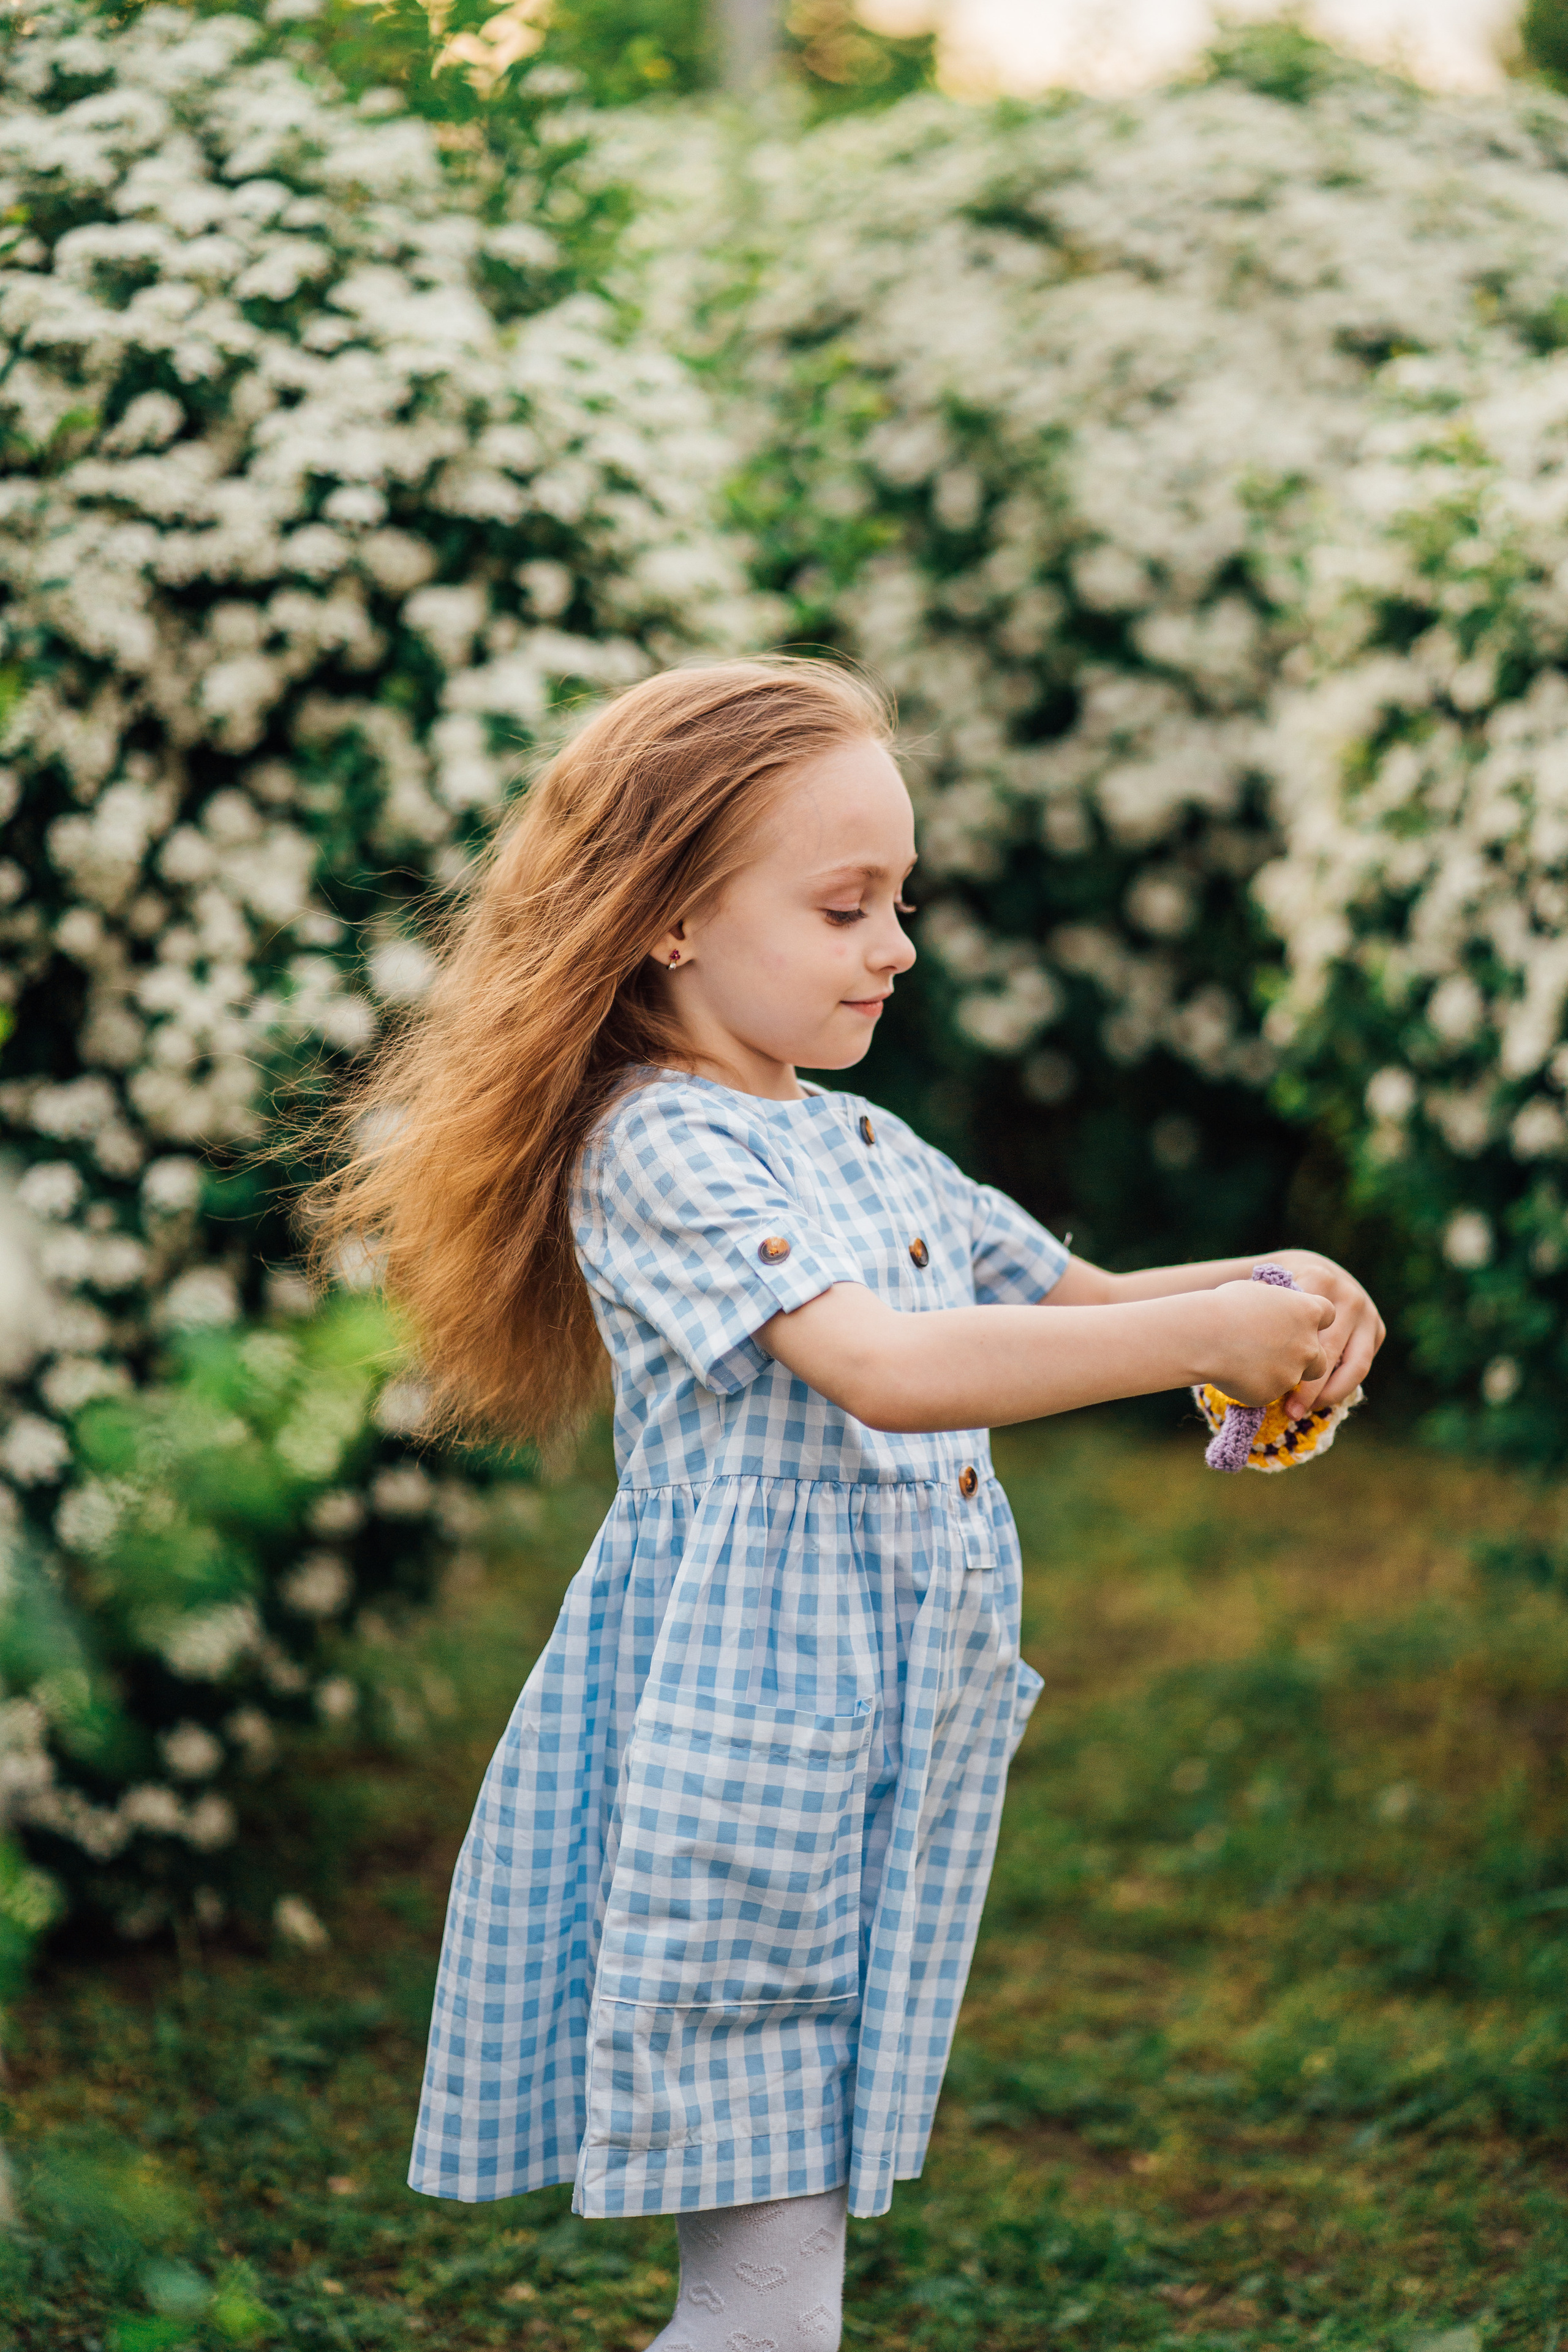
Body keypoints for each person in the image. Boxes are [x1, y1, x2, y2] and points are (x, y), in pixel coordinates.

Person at [304, 657, 1384, 2352]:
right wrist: (1211, 1333)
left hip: (874, 1748)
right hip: (749, 1760)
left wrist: (1282, 1286)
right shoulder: (658, 1147)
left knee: (791, 2253)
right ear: (669, 917)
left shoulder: (868, 1146)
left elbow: (1062, 1303)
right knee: (766, 2281)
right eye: (845, 904)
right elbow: (884, 1365)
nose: (896, 944)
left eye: (902, 899)